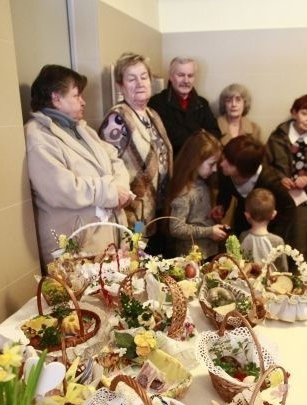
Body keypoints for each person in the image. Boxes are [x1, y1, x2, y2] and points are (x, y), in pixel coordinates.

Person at [25, 65, 132, 266]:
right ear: (56, 98)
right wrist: (110, 191)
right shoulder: (38, 137)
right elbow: (62, 189)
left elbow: (115, 159)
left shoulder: (82, 130)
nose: (83, 102)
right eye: (76, 96)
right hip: (76, 241)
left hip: (107, 233)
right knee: (82, 295)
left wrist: (121, 189)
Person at [98, 52, 173, 255]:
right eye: (131, 79)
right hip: (135, 217)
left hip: (157, 211)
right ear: (121, 86)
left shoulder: (152, 113)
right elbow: (107, 168)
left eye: (143, 77)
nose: (140, 83)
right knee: (138, 258)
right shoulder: (117, 119)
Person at [265, 94, 307, 265]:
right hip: (279, 200)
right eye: (305, 113)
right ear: (294, 113)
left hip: (304, 203)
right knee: (275, 244)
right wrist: (279, 179)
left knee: (299, 248)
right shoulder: (277, 137)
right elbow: (265, 167)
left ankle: (296, 286)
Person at [211, 135, 294, 240]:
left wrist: (276, 236)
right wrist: (221, 206)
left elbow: (289, 206)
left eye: (230, 162)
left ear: (244, 169)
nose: (222, 163)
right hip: (243, 220)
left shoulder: (269, 180)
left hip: (268, 227)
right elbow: (225, 191)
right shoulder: (224, 171)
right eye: (224, 157)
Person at [165, 131, 228, 259]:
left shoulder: (203, 183)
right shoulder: (184, 192)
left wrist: (215, 222)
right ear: (195, 161)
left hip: (208, 253)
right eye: (211, 164)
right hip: (192, 258)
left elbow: (198, 219)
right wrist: (209, 232)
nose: (215, 169)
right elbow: (177, 228)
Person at [148, 57, 221, 153]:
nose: (186, 80)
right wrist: (200, 133)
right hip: (173, 163)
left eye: (190, 76)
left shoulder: (202, 103)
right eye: (181, 75)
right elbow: (167, 138)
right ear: (171, 76)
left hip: (201, 161)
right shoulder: (157, 103)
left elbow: (215, 133)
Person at [240, 188, 288, 270]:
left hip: (246, 281)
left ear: (247, 215)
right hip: (272, 282)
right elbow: (283, 269)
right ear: (273, 214)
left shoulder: (243, 236)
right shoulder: (277, 241)